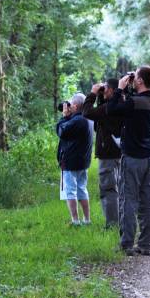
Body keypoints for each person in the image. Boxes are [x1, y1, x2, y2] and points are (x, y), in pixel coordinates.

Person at [107, 66, 150, 256]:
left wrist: (120, 87)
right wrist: (128, 90)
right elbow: (131, 107)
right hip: (149, 157)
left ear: (140, 81)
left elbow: (112, 109)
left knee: (128, 200)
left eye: (135, 76)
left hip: (132, 158)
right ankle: (145, 244)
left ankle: (127, 243)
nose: (132, 78)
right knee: (146, 202)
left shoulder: (134, 102)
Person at [82, 79, 123, 229]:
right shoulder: (120, 104)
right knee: (118, 188)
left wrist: (93, 93)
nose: (103, 90)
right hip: (118, 152)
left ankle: (112, 224)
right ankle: (119, 221)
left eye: (105, 88)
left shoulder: (108, 109)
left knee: (108, 189)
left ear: (112, 90)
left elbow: (86, 112)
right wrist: (100, 96)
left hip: (108, 155)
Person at [56, 93, 93, 226]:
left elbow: (61, 132)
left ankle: (75, 221)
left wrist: (64, 117)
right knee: (82, 189)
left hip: (71, 162)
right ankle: (87, 220)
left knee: (70, 191)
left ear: (75, 106)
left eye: (70, 104)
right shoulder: (87, 119)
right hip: (83, 162)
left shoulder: (76, 120)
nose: (68, 107)